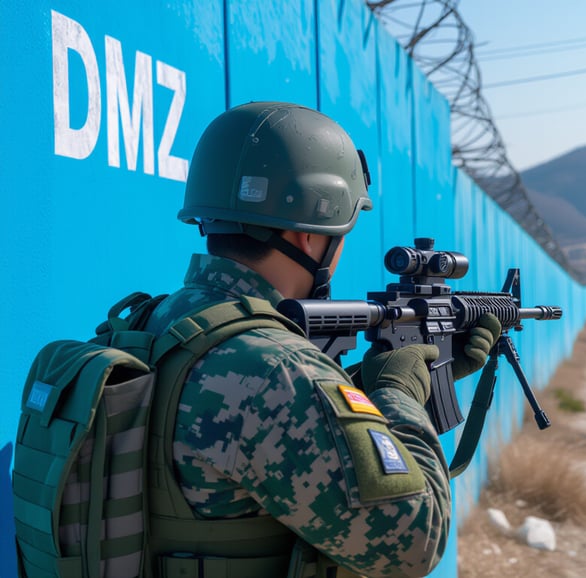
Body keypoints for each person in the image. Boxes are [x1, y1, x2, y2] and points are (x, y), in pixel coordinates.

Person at [142, 102, 500, 578]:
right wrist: (400, 396)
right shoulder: (275, 372)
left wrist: (365, 384)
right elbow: (416, 541)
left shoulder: (158, 321)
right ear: (308, 235)